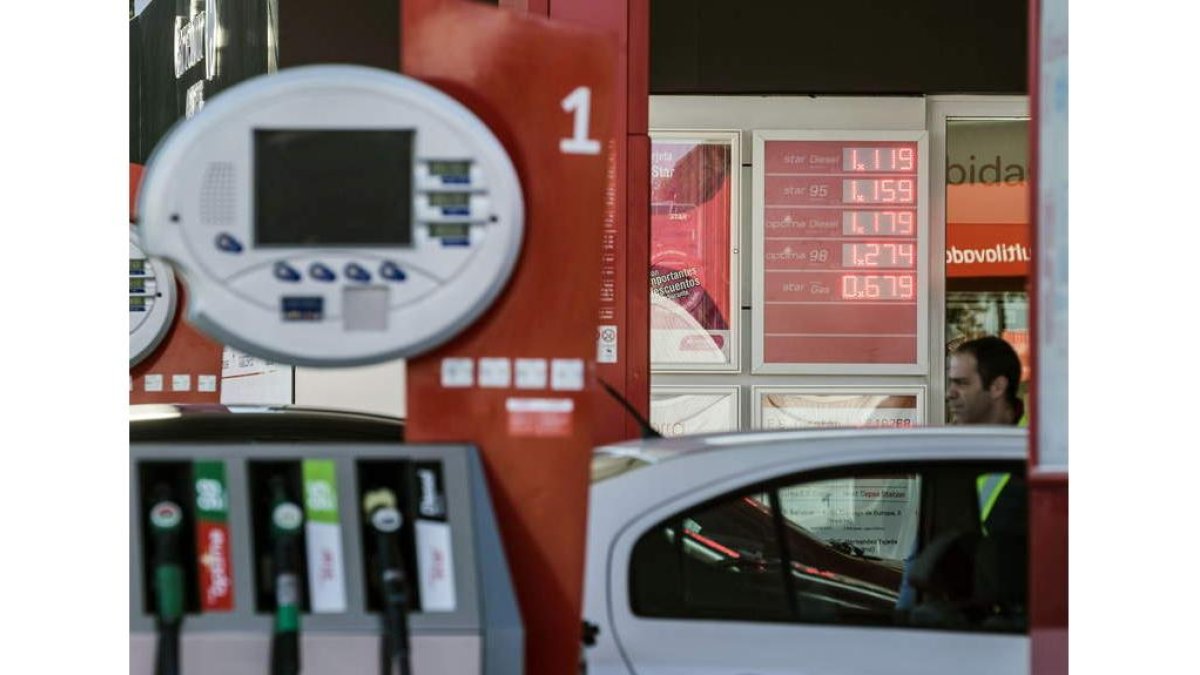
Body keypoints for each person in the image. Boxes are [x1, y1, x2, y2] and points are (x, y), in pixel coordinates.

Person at [946, 336, 1024, 426]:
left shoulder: (1035, 436)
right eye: (951, 382)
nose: (949, 394)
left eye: (962, 383)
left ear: (998, 387)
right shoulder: (952, 437)